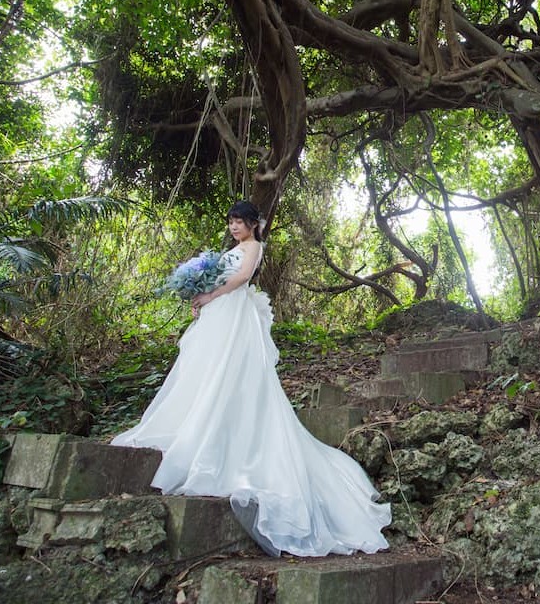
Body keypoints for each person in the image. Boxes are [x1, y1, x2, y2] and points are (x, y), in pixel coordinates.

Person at [111, 200, 391, 557]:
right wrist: (201, 297)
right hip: (217, 314)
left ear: (254, 224)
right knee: (204, 372)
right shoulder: (228, 249)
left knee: (232, 374)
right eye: (230, 221)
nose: (234, 227)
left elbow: (242, 277)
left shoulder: (254, 247)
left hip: (233, 314)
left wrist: (212, 293)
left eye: (239, 222)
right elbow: (222, 275)